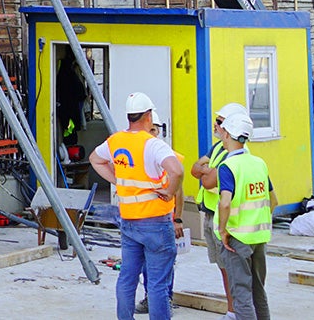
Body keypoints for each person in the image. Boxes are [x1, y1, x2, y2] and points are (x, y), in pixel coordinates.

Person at [91, 92, 185, 320]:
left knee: (127, 278)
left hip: (129, 222)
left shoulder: (115, 141)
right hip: (156, 223)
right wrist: (170, 192)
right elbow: (178, 171)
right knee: (157, 284)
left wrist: (117, 181)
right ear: (148, 115)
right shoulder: (153, 145)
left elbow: (95, 159)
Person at [209, 112, 274, 320]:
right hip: (259, 238)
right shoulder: (259, 163)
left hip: (237, 239)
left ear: (227, 134)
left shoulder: (228, 167)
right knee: (258, 291)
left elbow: (225, 202)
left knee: (241, 294)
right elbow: (274, 201)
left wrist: (222, 229)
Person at [190, 102, 250, 320]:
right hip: (211, 214)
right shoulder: (218, 149)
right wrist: (206, 172)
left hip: (225, 220)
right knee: (223, 268)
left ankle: (235, 312)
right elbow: (195, 169)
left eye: (220, 122)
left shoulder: (235, 156)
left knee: (231, 269)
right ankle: (232, 310)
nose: (215, 125)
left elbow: (206, 181)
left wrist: (205, 173)